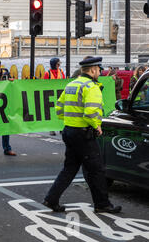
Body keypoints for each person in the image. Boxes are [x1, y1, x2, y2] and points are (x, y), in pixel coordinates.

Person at [43, 56, 122, 214]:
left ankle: (51, 199)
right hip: (84, 134)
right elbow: (91, 112)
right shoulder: (91, 87)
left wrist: (72, 119)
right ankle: (102, 204)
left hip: (69, 131)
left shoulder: (71, 84)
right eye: (99, 69)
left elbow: (59, 108)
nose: (99, 72)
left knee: (70, 168)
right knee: (97, 169)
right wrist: (96, 126)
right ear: (92, 70)